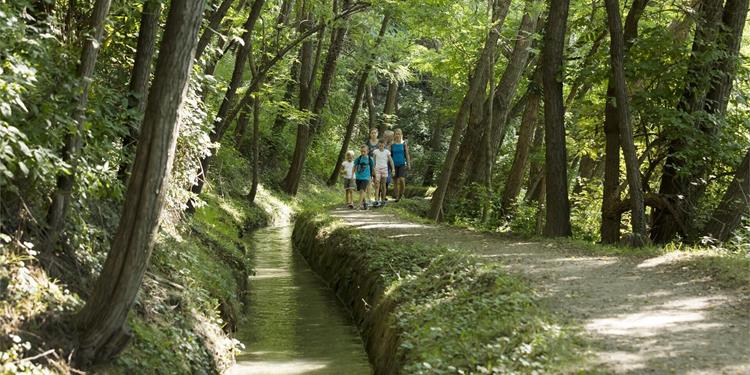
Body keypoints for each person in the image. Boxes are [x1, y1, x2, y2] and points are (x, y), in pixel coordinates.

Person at [371, 139, 394, 207]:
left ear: (384, 145)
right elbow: (373, 161)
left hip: (384, 169)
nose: (381, 145)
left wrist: (393, 169)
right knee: (377, 185)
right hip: (377, 169)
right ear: (378, 144)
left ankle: (383, 200)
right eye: (380, 144)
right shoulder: (375, 151)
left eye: (382, 144)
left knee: (383, 185)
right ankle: (376, 200)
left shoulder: (387, 152)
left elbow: (391, 160)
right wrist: (373, 169)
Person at [390, 128, 411, 201]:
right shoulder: (392, 144)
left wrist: (408, 164)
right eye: (396, 133)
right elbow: (389, 155)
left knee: (402, 180)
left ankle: (401, 194)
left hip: (402, 164)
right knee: (395, 181)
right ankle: (397, 197)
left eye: (399, 134)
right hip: (394, 164)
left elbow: (407, 154)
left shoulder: (404, 144)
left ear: (401, 135)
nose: (398, 135)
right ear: (394, 135)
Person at [354, 145, 375, 210]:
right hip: (358, 177)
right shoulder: (358, 159)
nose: (363, 153)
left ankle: (359, 205)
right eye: (361, 151)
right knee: (360, 191)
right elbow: (354, 167)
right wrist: (353, 176)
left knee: (363, 190)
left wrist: (373, 177)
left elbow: (372, 168)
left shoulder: (370, 159)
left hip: (366, 177)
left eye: (364, 151)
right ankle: (365, 203)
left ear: (367, 151)